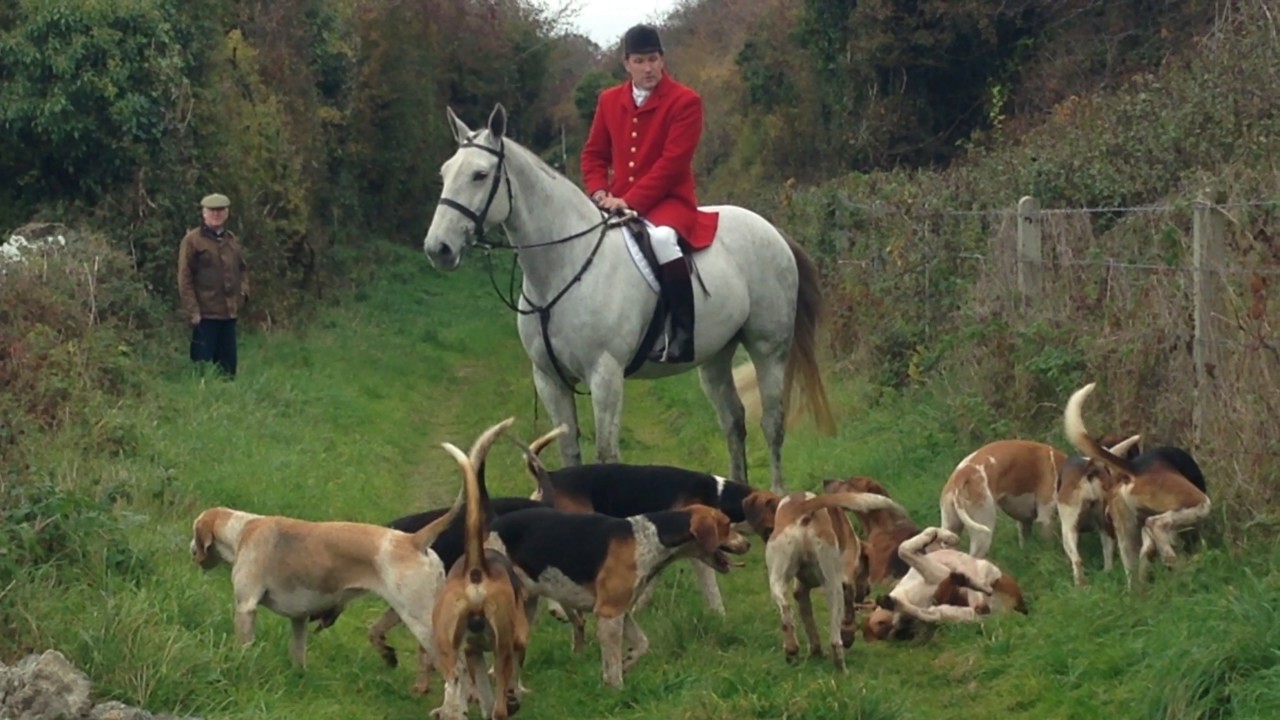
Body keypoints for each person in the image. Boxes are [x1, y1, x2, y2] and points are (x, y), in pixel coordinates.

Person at [581, 23, 719, 364]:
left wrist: (629, 201)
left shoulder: (686, 101)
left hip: (669, 201)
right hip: (614, 200)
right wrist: (599, 191)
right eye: (640, 61)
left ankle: (682, 332)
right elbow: (594, 155)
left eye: (654, 59)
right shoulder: (609, 100)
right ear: (626, 63)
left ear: (663, 59)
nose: (649, 68)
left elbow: (672, 164)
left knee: (661, 241)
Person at [177, 193, 249, 377]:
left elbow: (242, 268)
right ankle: (201, 402)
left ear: (226, 213)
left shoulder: (231, 240)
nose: (216, 214)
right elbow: (184, 278)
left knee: (228, 370)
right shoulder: (193, 240)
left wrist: (243, 293)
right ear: (204, 213)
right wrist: (193, 311)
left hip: (228, 315)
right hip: (204, 316)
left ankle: (227, 402)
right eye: (212, 211)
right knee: (201, 369)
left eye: (220, 210)